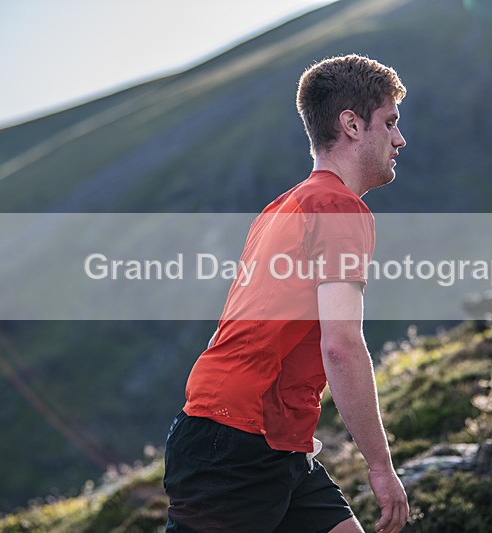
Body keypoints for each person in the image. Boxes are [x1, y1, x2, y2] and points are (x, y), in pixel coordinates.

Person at [164, 54, 408, 533]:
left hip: (269, 441)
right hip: (237, 443)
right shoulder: (337, 208)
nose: (399, 138)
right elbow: (341, 346)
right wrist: (381, 467)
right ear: (352, 125)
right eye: (390, 122)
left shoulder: (283, 207)